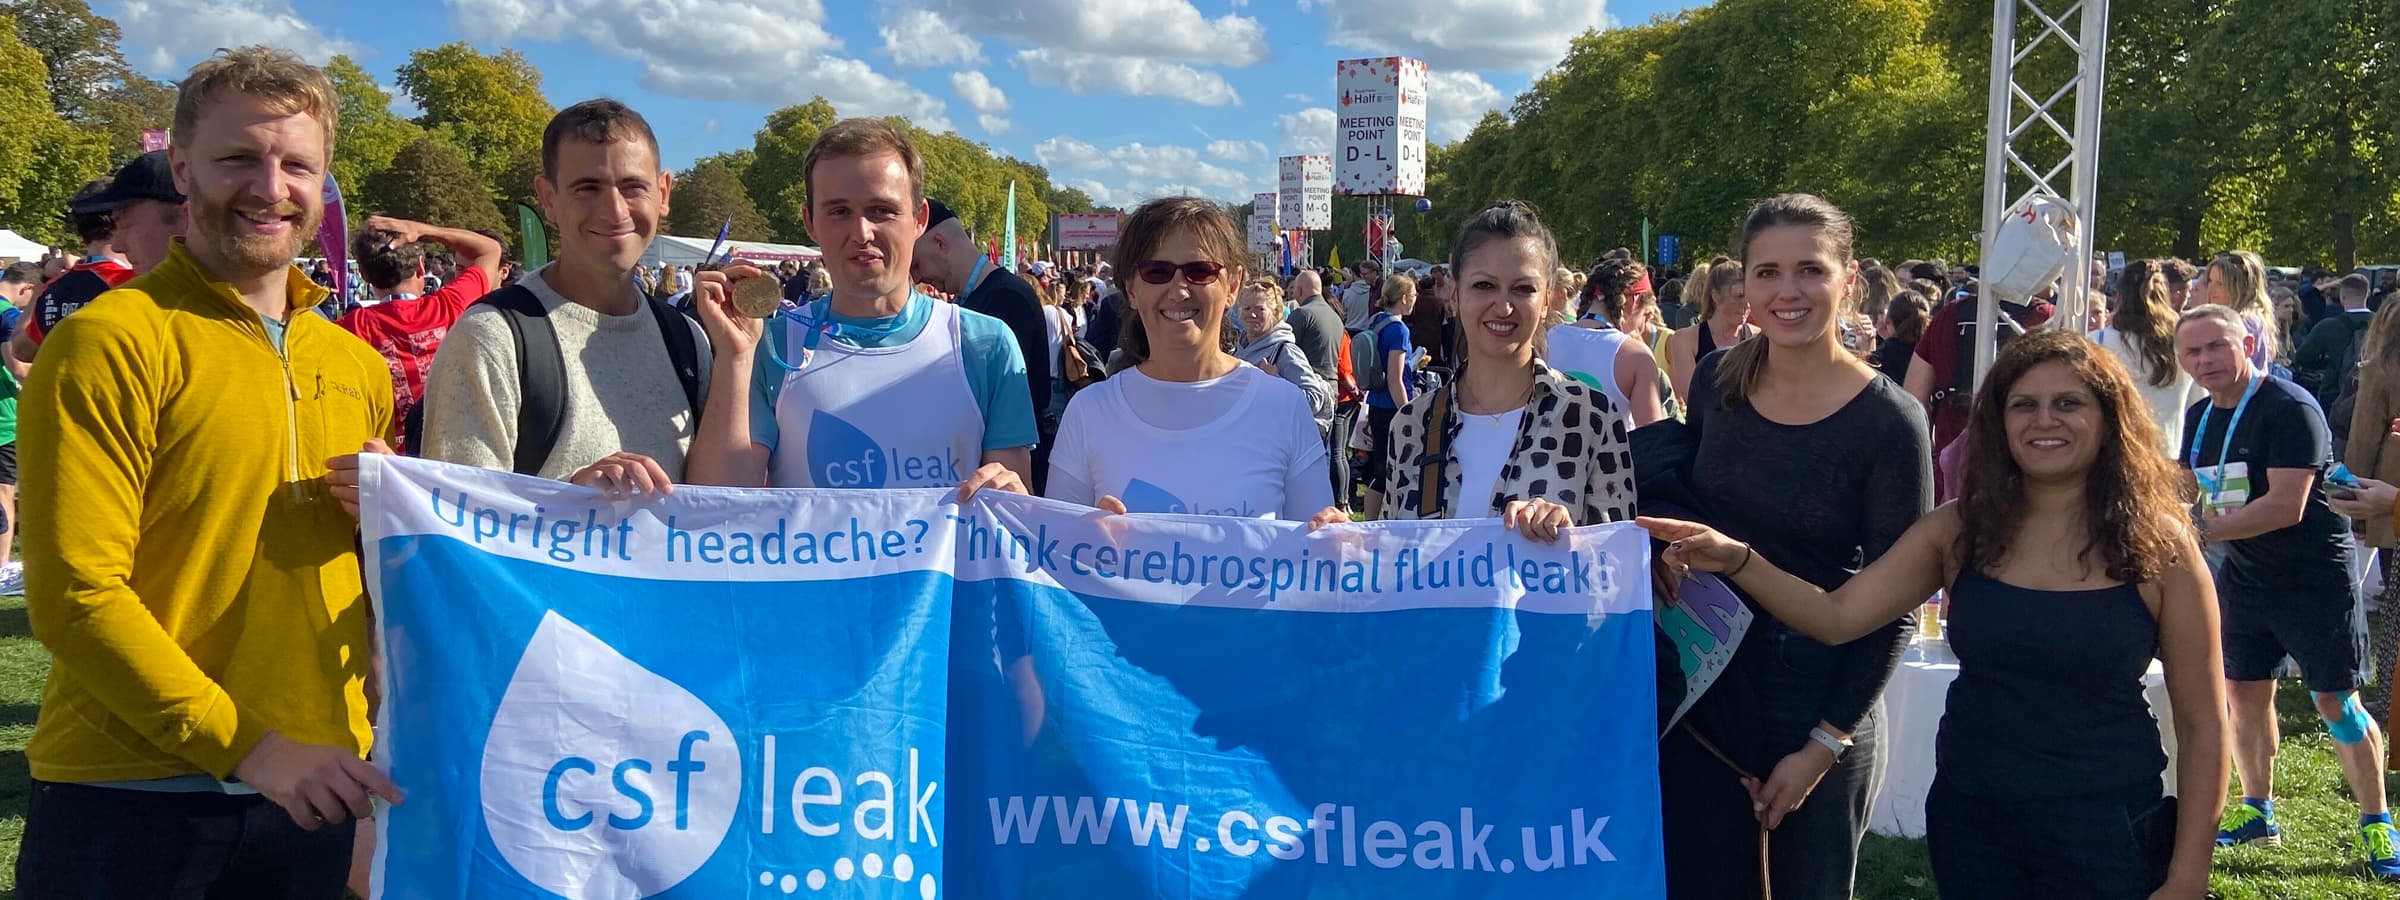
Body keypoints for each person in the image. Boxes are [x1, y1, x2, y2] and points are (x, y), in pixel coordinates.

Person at [1644, 328, 2228, 900]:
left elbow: (2203, 723)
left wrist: (2188, 875)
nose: (2044, 420)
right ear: (1998, 422)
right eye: (2024, 405)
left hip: (2107, 825)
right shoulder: (1960, 529)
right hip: (1974, 823)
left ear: (2108, 418)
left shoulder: (2159, 546)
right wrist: (1739, 560)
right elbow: (1836, 616)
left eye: (2068, 404)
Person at [15, 47, 403, 897]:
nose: (270, 187)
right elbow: (76, 595)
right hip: (134, 795)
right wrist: (252, 747)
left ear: (323, 182)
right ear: (184, 170)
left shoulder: (354, 363)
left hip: (315, 789)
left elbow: (371, 588)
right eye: (239, 159)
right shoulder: (110, 340)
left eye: (296, 164)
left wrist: (397, 519)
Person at [1652, 193, 1931, 900]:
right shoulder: (1717, 381)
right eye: (1768, 272)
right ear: (1742, 283)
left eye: (1810, 270)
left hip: (1820, 705)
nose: (1787, 291)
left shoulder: (1891, 422)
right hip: (1707, 698)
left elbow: (1895, 607)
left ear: (1849, 281)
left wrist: (1823, 746)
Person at [681, 118, 1034, 493]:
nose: (862, 233)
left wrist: (1014, 495)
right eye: (839, 211)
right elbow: (717, 504)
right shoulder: (771, 346)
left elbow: (1012, 509)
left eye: (881, 210)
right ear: (810, 222)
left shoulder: (984, 344)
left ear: (919, 220)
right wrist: (735, 359)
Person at [2174, 304, 2398, 877]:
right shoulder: (2200, 414)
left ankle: (2377, 825)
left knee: (2335, 701)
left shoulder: (2289, 407)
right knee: (2244, 692)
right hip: (2246, 575)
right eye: (2192, 351)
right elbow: (2188, 486)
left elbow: (2285, 507)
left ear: (2247, 345)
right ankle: (2258, 812)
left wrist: (2197, 531)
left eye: (2216, 346)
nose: (2205, 360)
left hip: (2313, 578)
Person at [418, 99, 717, 491]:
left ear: (663, 193)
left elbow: (716, 502)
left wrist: (740, 358)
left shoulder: (688, 341)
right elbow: (456, 513)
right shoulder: (492, 337)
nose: (614, 211)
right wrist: (571, 499)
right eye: (587, 188)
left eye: (632, 187)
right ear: (548, 197)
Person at [1040, 198, 1327, 519]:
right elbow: (1055, 542)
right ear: (1131, 289)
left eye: (1199, 271)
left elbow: (1316, 543)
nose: (1178, 290)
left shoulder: (1283, 407)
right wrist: (1087, 533)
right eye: (1157, 271)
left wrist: (1339, 538)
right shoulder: (1089, 412)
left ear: (1233, 286)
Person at [1367, 200, 1638, 533]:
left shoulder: (1591, 418)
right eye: (1484, 286)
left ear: (1546, 301)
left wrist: (1571, 538)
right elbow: (1395, 556)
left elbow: (1617, 557)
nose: (1503, 306)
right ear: (1455, 296)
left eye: (1523, 289)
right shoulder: (1412, 424)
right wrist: (1342, 544)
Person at [335, 215, 501, 455]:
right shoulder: (448, 305)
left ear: (363, 275)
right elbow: (490, 249)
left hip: (392, 458)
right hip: (452, 453)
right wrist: (422, 229)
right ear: (421, 266)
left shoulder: (348, 328)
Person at [13, 152, 187, 366]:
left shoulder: (56, 286)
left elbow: (20, 349)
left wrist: (43, 285)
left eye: (126, 224)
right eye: (118, 224)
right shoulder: (136, 285)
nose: (119, 244)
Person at [912, 198, 1053, 426]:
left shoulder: (1006, 298)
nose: (917, 278)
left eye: (916, 264)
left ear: (940, 243)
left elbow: (1002, 400)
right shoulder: (982, 297)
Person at [2342, 295, 2400, 722]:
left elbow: (2363, 440)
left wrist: (2353, 502)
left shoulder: (2380, 370)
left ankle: (2390, 699)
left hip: (2386, 495)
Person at [2093, 259, 2201, 457]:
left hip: (2113, 455)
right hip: (2168, 453)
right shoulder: (2186, 344)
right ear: (2164, 295)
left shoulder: (2095, 342)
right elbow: (2198, 405)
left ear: (2119, 295)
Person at [1546, 266, 1668, 428]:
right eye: (1645, 314)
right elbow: (1652, 435)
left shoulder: (1548, 338)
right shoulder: (1637, 356)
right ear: (1634, 301)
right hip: (1613, 445)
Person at [1232, 278, 1332, 432]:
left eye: (1260, 309)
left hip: (1273, 440)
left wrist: (1276, 382)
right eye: (1246, 308)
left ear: (1275, 313)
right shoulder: (1239, 351)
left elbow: (1314, 400)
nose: (1252, 314)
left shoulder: (1285, 351)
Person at [1359, 274, 1417, 519]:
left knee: (1380, 469)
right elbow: (1395, 378)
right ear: (1403, 298)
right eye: (1413, 295)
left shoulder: (1377, 321)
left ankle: (1370, 522)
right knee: (1392, 470)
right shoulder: (1399, 330)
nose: (1415, 300)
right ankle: (1377, 522)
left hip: (1375, 402)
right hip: (1393, 407)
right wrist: (1409, 411)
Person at [1666, 256, 1751, 408]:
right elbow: (1693, 400)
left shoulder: (1760, 337)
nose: (1747, 304)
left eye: (1750, 296)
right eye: (1739, 296)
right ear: (1716, 296)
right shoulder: (1685, 340)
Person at [2294, 273, 2375, 412]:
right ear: (2367, 294)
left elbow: (2302, 357)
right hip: (2375, 394)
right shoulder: (2383, 324)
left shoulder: (2328, 326)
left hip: (2335, 395)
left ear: (2342, 297)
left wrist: (2329, 363)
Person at [2206, 251, 2279, 371]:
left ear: (2240, 287)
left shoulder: (2245, 322)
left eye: (2220, 284)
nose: (2211, 288)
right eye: (2210, 281)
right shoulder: (2226, 318)